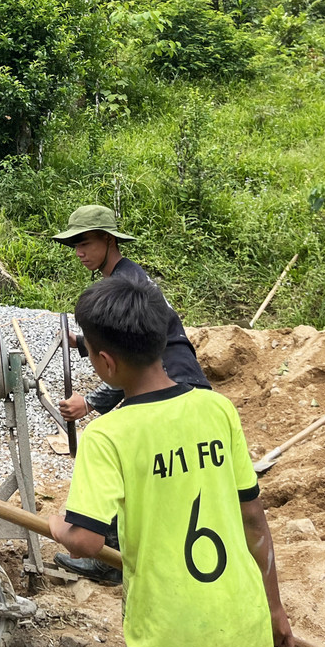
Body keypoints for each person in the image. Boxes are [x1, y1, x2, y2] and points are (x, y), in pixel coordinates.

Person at [48, 274, 294, 647]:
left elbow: (86, 542)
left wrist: (55, 525)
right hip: (245, 631)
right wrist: (275, 607)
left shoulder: (107, 435)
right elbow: (253, 519)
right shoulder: (217, 409)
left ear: (105, 362)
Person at [52, 204, 212, 583]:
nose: (78, 252)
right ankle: (127, 552)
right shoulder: (124, 278)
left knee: (127, 462)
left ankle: (109, 559)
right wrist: (80, 342)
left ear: (109, 240)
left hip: (172, 378)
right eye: (73, 244)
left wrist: (90, 402)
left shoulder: (128, 284)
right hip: (175, 378)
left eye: (85, 243)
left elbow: (137, 358)